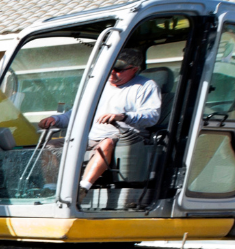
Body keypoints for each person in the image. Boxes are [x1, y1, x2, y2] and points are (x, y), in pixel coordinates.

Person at [40, 46, 160, 194]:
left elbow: (152, 116)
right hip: (91, 138)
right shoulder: (99, 86)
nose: (112, 73)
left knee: (106, 143)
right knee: (51, 146)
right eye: (110, 68)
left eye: (119, 70)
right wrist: (55, 119)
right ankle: (51, 188)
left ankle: (82, 189)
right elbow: (78, 113)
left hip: (126, 137)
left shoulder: (146, 86)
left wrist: (124, 116)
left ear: (134, 69)